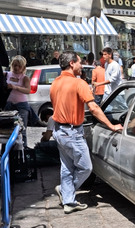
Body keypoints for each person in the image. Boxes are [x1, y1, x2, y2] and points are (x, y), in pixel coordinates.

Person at [50, 51, 123, 214]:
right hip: (71, 132)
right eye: (79, 62)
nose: (81, 65)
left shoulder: (55, 82)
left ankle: (68, 201)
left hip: (59, 130)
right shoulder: (79, 83)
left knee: (67, 167)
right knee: (86, 167)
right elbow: (94, 108)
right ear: (71, 64)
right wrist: (111, 126)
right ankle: (65, 191)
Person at [5, 55, 38, 148]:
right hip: (9, 104)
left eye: (19, 66)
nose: (16, 68)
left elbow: (28, 90)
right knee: (7, 129)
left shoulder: (25, 77)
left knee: (22, 129)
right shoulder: (7, 74)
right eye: (14, 65)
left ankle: (24, 149)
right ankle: (9, 149)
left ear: (23, 67)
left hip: (22, 105)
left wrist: (15, 87)